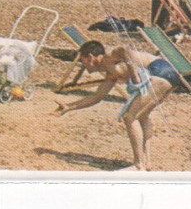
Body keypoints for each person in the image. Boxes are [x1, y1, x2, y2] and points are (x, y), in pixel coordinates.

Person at [54, 40, 180, 171]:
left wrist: (134, 76)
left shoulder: (108, 56)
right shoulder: (111, 73)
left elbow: (125, 48)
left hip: (158, 70)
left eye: (83, 60)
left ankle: (138, 164)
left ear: (91, 57)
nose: (82, 65)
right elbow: (96, 97)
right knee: (142, 116)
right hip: (169, 75)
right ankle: (147, 163)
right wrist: (69, 107)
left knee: (129, 117)